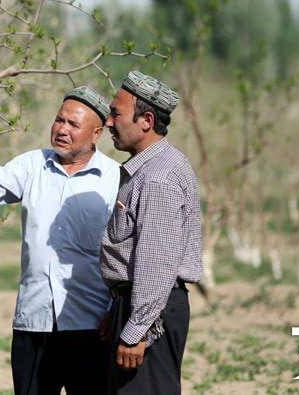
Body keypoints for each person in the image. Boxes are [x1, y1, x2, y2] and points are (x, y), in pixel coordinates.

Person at [0, 85, 120, 394]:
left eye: (73, 124)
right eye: (59, 120)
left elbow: (125, 253)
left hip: (91, 326)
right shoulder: (32, 165)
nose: (62, 129)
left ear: (96, 133)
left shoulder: (116, 178)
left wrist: (114, 312)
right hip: (33, 322)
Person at [99, 71, 202, 394]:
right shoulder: (151, 167)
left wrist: (135, 330)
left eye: (116, 114)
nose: (108, 123)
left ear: (146, 120)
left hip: (149, 311)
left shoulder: (157, 178)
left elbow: (156, 264)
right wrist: (116, 311)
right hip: (138, 307)